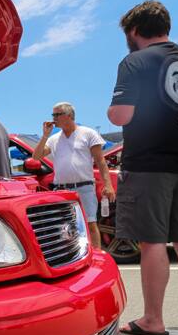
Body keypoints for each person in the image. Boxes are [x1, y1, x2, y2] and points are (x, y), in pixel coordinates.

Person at [107, 0, 178, 335]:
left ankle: (153, 319)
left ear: (134, 32)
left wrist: (112, 112)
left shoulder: (135, 61)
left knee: (152, 240)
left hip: (150, 163)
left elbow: (122, 115)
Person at [32, 102, 116, 249]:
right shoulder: (53, 139)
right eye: (53, 115)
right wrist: (45, 136)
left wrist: (108, 185)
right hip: (62, 190)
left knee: (90, 224)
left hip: (84, 187)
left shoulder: (88, 133)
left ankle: (96, 257)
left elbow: (101, 162)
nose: (53, 118)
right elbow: (36, 156)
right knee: (65, 227)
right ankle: (72, 258)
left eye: (57, 114)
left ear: (69, 116)